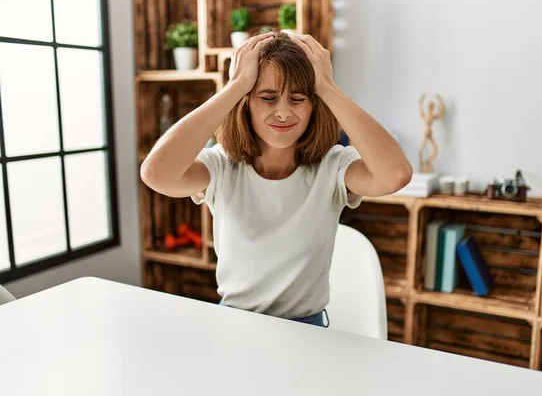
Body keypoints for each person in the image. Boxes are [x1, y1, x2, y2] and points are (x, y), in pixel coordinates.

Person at [140, 31, 412, 327]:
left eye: (298, 98)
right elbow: (156, 174)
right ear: (246, 102)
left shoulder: (332, 166)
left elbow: (395, 174)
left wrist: (328, 87)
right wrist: (234, 88)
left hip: (306, 327)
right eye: (268, 97)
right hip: (235, 323)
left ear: (313, 105)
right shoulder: (221, 165)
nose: (283, 112)